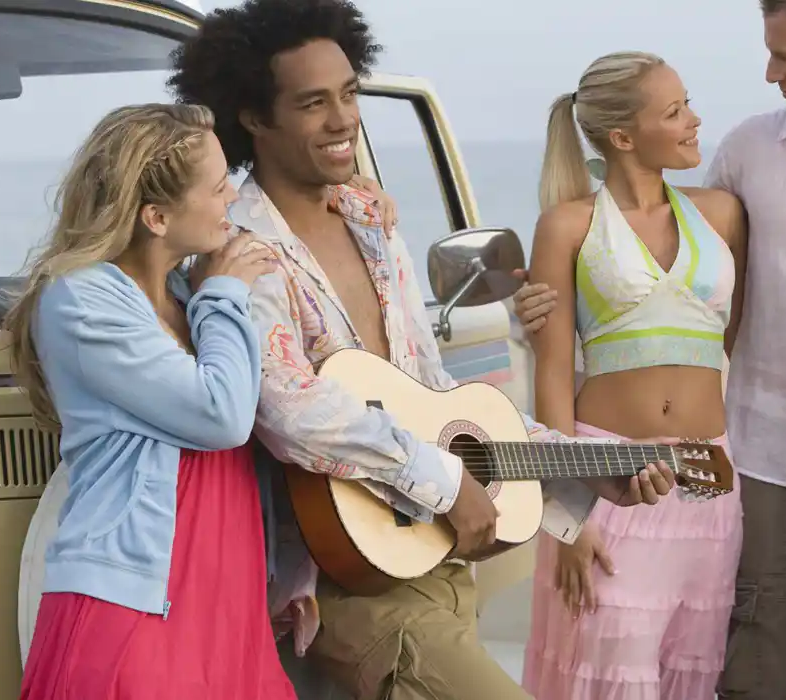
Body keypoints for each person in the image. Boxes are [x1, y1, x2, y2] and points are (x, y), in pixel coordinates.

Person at [167, 2, 679, 698]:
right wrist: (443, 481)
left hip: (431, 555)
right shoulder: (236, 252)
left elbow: (431, 396)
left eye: (349, 93)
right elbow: (292, 412)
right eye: (313, 103)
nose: (344, 119)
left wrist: (581, 467)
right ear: (254, 117)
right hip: (340, 585)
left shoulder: (372, 223)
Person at [512, 1, 786, 697]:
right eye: (673, 109)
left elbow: (701, 302)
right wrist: (537, 304)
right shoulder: (745, 155)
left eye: (785, 57)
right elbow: (687, 308)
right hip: (756, 463)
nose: (769, 74)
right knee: (761, 674)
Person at [5, 102, 296, 700]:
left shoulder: (188, 295)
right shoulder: (83, 302)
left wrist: (293, 571)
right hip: (136, 606)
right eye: (217, 190)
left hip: (226, 604)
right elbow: (221, 415)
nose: (232, 202)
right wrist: (225, 296)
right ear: (157, 216)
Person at [512, 51, 747, 700]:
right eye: (674, 112)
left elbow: (742, 343)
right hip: (609, 481)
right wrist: (567, 517)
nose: (695, 121)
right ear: (623, 137)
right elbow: (553, 376)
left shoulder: (722, 215)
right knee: (608, 674)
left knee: (691, 677)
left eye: (688, 103)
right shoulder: (567, 226)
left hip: (708, 486)